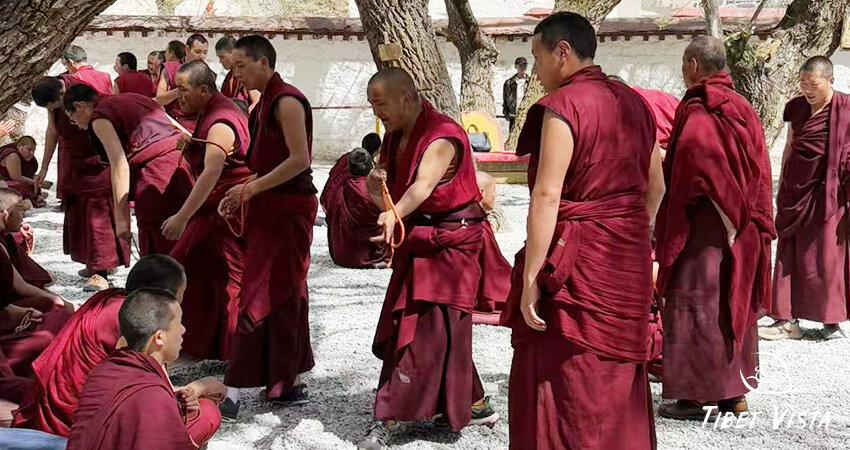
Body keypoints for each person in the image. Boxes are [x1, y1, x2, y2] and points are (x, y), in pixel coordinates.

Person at [500, 13, 663, 449]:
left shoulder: (563, 106)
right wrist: (626, 230)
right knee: (616, 372)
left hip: (575, 259)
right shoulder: (636, 103)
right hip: (625, 256)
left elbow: (546, 195)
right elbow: (657, 188)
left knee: (566, 371)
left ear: (562, 52)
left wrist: (531, 278)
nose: (535, 71)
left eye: (537, 57)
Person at [355, 67, 499, 449]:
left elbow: (421, 187)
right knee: (441, 330)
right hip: (421, 236)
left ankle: (389, 415)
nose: (377, 112)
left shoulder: (441, 135)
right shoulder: (396, 135)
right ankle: (475, 403)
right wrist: (375, 190)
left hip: (450, 241)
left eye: (381, 104)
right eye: (372, 105)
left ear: (406, 98)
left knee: (422, 333)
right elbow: (391, 194)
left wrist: (394, 213)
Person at [654, 35, 775, 420]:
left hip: (708, 225)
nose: (682, 71)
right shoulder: (742, 105)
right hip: (741, 225)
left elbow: (700, 166)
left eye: (683, 64)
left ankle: (694, 398)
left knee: (698, 303)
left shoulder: (701, 107)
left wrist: (725, 218)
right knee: (730, 301)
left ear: (693, 65)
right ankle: (733, 396)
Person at [216, 35, 317, 420]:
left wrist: (249, 189)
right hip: (271, 207)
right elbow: (267, 164)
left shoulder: (287, 100)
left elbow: (299, 160)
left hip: (288, 210)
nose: (236, 74)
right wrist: (242, 189)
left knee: (273, 290)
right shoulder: (264, 103)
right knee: (270, 289)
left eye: (241, 66)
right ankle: (275, 380)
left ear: (263, 62)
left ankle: (249, 386)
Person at [12, 255, 186, 437]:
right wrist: (198, 389)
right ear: (164, 298)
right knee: (200, 415)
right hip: (79, 427)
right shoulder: (135, 321)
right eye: (181, 294)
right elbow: (148, 393)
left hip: (59, 412)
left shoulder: (110, 300)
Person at [166, 61, 252, 361]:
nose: (178, 96)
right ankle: (206, 345)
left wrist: (182, 217)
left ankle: (235, 350)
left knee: (219, 276)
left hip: (227, 212)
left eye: (183, 89)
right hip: (216, 207)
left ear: (204, 90)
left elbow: (212, 172)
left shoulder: (220, 121)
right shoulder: (211, 111)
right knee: (201, 272)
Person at [66, 289, 223, 450]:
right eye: (179, 323)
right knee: (208, 412)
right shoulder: (153, 394)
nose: (183, 330)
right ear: (159, 337)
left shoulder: (103, 370)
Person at [761, 56, 849, 341]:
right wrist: (784, 188)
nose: (807, 90)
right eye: (803, 84)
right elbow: (790, 146)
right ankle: (786, 319)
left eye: (813, 84)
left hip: (831, 193)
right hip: (796, 190)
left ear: (830, 81)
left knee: (827, 256)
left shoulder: (846, 108)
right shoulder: (796, 108)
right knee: (790, 251)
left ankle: (830, 321)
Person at [62, 84, 194, 256]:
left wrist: (121, 218)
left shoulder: (99, 118)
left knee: (161, 241)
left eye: (73, 119)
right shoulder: (135, 97)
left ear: (79, 106)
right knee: (189, 236)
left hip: (155, 175)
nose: (78, 125)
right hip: (183, 165)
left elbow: (119, 166)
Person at [31, 76, 128, 292]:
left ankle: (101, 272)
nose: (56, 110)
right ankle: (91, 262)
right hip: (76, 164)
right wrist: (44, 168)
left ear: (63, 94)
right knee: (80, 218)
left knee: (98, 220)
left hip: (97, 163)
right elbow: (52, 131)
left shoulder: (80, 95)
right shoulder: (54, 100)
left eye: (55, 106)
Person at [320, 133, 384, 269]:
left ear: (348, 166)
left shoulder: (339, 185)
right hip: (364, 255)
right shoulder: (370, 189)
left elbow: (327, 198)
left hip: (339, 252)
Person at [472, 171, 511, 320]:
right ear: (481, 193)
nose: (495, 196)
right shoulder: (479, 229)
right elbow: (494, 266)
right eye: (494, 191)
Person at [157, 40, 197, 131]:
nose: (165, 55)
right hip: (195, 122)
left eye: (166, 52)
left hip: (177, 122)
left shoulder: (169, 67)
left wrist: (181, 90)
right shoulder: (196, 68)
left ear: (171, 53)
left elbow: (159, 98)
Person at [215, 35, 260, 111]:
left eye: (222, 57)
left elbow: (257, 102)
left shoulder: (247, 72)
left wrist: (241, 116)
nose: (220, 61)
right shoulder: (229, 77)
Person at [0, 136, 44, 207]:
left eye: (33, 150)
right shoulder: (12, 155)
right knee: (20, 186)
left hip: (8, 181)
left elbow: (29, 174)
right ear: (19, 146)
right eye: (29, 149)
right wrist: (35, 182)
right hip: (3, 181)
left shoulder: (28, 157)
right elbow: (16, 177)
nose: (32, 153)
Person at [502, 57, 529, 132]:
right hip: (513, 117)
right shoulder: (508, 83)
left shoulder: (530, 83)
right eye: (520, 65)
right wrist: (506, 113)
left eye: (524, 65)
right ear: (516, 67)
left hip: (527, 117)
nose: (522, 67)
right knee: (513, 138)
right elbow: (505, 100)